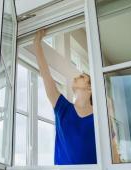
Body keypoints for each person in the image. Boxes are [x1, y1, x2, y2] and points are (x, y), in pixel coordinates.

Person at [34, 29, 97, 165]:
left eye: (82, 77)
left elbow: (112, 150)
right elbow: (45, 74)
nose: (76, 76)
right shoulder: (62, 108)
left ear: (90, 88)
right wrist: (37, 44)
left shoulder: (99, 117)